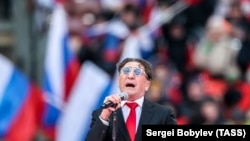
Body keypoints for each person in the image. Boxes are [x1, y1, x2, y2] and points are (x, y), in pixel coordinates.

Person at [85, 57, 177, 141]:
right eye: (126, 71)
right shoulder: (101, 114)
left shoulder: (163, 115)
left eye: (137, 72)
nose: (130, 76)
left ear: (147, 84)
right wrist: (104, 117)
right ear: (118, 81)